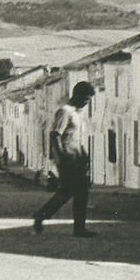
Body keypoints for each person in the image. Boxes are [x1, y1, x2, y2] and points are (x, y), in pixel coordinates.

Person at [33, 81, 97, 237]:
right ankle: (79, 228)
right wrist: (62, 156)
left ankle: (41, 215)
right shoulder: (65, 111)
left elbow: (77, 138)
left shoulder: (78, 113)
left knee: (66, 193)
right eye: (86, 99)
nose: (87, 103)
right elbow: (55, 134)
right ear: (77, 95)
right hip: (68, 159)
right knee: (80, 192)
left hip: (77, 158)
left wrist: (84, 155)